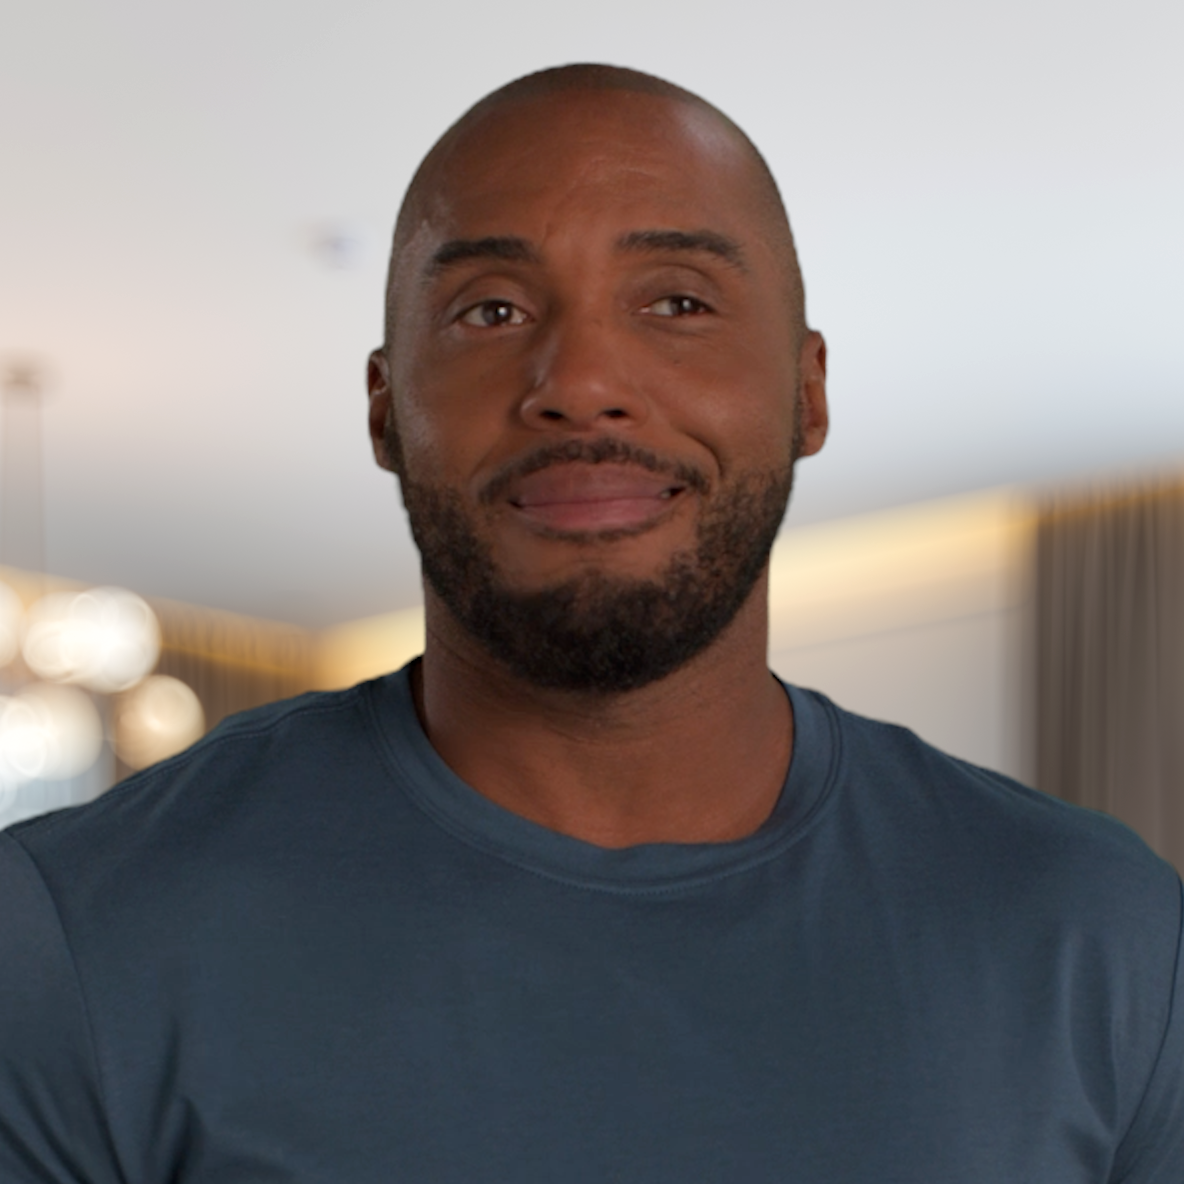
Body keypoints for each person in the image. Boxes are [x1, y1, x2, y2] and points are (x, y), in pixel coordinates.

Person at [1, 64, 1181, 1183]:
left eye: (677, 300)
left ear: (807, 390)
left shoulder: (1103, 937)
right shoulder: (72, 934)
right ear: (384, 409)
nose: (578, 380)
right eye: (490, 309)